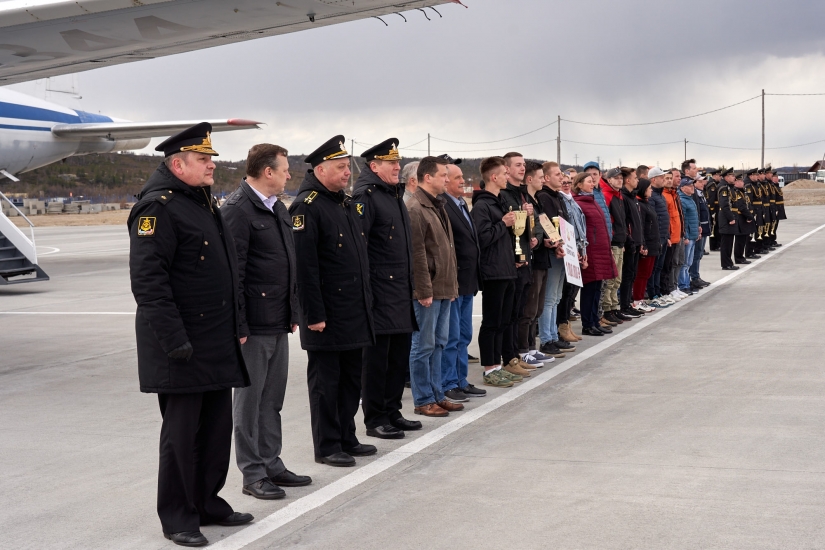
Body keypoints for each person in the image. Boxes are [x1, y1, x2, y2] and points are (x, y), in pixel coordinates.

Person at [128, 123, 252, 547]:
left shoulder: (201, 203)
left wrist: (237, 327)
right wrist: (173, 340)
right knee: (181, 438)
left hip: (215, 340)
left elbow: (227, 273)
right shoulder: (157, 208)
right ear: (178, 164)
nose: (212, 165)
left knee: (215, 431)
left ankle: (207, 502)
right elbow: (149, 283)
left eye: (212, 158)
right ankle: (179, 516)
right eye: (204, 159)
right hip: (181, 346)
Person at [222, 144, 311, 501]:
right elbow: (234, 275)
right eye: (285, 169)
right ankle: (253, 473)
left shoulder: (277, 208)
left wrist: (292, 313)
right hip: (254, 326)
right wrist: (239, 325)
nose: (290, 175)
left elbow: (286, 265)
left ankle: (271, 462)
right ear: (268, 172)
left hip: (277, 321)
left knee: (271, 400)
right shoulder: (238, 211)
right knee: (249, 402)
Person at [288, 135, 377, 468]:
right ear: (321, 169)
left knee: (351, 379)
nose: (346, 174)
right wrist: (313, 313)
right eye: (340, 168)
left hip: (353, 312)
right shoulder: (306, 206)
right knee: (327, 384)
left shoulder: (342, 201)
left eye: (347, 168)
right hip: (326, 315)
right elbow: (305, 267)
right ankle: (327, 445)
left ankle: (346, 436)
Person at [351, 138, 420, 440]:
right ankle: (375, 418)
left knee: (397, 357)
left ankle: (392, 411)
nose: (397, 167)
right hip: (379, 294)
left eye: (398, 162)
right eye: (391, 163)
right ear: (373, 166)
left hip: (400, 293)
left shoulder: (393, 195)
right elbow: (359, 248)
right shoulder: (365, 196)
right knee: (377, 361)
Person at [407, 156, 463, 417]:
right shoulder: (415, 208)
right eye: (443, 175)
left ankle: (437, 393)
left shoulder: (438, 205)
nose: (447, 180)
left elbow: (446, 250)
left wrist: (451, 287)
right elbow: (417, 254)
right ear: (427, 177)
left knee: (439, 343)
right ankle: (423, 399)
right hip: (428, 290)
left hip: (444, 287)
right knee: (423, 346)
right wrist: (424, 290)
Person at [471, 157, 522, 387]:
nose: (507, 177)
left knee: (504, 320)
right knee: (491, 322)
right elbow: (482, 238)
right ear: (494, 177)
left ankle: (499, 365)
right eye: (503, 173)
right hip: (493, 272)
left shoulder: (500, 201)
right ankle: (489, 368)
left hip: (507, 268)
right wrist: (503, 223)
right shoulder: (482, 206)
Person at [440, 155, 487, 400]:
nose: (463, 181)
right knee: (451, 337)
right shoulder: (443, 205)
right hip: (453, 282)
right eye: (457, 177)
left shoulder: (460, 204)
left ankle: (461, 379)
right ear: (445, 180)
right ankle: (448, 382)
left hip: (468, 282)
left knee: (464, 335)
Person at [499, 152, 538, 376]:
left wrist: (533, 237)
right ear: (506, 168)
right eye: (518, 165)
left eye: (524, 165)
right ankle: (509, 357)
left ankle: (514, 355)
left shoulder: (522, 193)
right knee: (510, 313)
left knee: (519, 311)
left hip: (526, 257)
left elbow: (526, 227)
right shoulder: (505, 195)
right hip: (513, 261)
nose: (522, 169)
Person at [518, 161, 558, 366]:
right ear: (530, 179)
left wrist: (551, 240)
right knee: (529, 308)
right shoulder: (525, 200)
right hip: (532, 260)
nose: (544, 180)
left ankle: (532, 347)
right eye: (541, 177)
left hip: (543, 258)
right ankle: (523, 349)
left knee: (538, 308)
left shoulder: (537, 201)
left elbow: (544, 225)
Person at [536, 161, 575, 357]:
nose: (562, 177)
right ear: (547, 178)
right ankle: (546, 339)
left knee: (557, 297)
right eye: (558, 174)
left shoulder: (557, 197)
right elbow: (546, 223)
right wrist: (557, 243)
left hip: (562, 253)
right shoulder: (544, 197)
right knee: (550, 298)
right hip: (552, 253)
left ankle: (552, 335)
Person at [573, 172, 617, 336]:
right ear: (579, 185)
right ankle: (587, 323)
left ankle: (594, 320)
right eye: (589, 182)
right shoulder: (579, 203)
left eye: (593, 181)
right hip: (590, 252)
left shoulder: (592, 201)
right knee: (589, 289)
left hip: (600, 250)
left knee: (597, 288)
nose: (592, 184)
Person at [557, 174, 586, 343]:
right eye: (563, 182)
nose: (566, 185)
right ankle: (561, 325)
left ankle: (566, 323)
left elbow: (581, 227)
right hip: (568, 249)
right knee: (566, 292)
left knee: (573, 290)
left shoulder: (572, 201)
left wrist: (582, 249)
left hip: (577, 247)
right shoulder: (561, 200)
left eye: (569, 182)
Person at [600, 167, 629, 325]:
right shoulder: (607, 195)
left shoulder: (619, 196)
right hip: (613, 243)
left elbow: (622, 221)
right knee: (611, 279)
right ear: (608, 179)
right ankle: (608, 309)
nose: (620, 180)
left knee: (617, 278)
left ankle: (614, 307)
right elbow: (608, 222)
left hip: (620, 241)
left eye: (621, 178)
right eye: (616, 178)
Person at [618, 167, 644, 318]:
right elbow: (625, 222)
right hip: (629, 243)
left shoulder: (633, 197)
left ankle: (628, 303)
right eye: (635, 178)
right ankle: (624, 305)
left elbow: (637, 222)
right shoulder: (625, 198)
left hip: (636, 241)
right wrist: (631, 240)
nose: (637, 180)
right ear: (628, 180)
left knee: (632, 274)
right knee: (627, 276)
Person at [632, 178, 660, 311]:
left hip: (653, 242)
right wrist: (644, 244)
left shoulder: (646, 203)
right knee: (642, 273)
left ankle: (641, 298)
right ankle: (637, 299)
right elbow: (641, 227)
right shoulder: (640, 205)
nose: (651, 190)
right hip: (647, 244)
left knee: (647, 273)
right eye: (649, 188)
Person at [646, 167, 672, 306]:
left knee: (659, 267)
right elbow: (652, 220)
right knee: (654, 267)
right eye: (661, 177)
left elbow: (664, 218)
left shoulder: (660, 195)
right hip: (655, 238)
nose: (664, 179)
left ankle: (658, 292)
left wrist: (667, 235)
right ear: (653, 179)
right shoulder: (652, 196)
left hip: (662, 236)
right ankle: (652, 294)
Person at [677, 178, 699, 295]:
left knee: (689, 263)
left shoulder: (690, 199)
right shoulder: (682, 200)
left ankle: (686, 283)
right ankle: (683, 285)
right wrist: (685, 236)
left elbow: (694, 217)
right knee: (684, 263)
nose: (692, 187)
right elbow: (683, 220)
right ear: (682, 187)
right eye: (689, 186)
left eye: (692, 185)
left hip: (693, 235)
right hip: (688, 236)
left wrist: (698, 229)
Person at [689, 174, 711, 289]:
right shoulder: (694, 195)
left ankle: (696, 276)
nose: (703, 184)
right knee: (695, 254)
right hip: (699, 229)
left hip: (704, 228)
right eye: (700, 182)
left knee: (699, 254)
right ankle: (694, 277)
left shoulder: (701, 194)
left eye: (703, 182)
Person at [716, 168, 739, 270]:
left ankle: (729, 262)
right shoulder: (724, 188)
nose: (734, 177)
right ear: (726, 177)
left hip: (729, 217)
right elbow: (724, 205)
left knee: (729, 242)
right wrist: (731, 218)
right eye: (732, 176)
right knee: (726, 243)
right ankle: (726, 264)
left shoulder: (729, 187)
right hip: (726, 218)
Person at [705, 169, 722, 251]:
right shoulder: (712, 185)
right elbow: (711, 198)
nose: (720, 177)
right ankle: (714, 245)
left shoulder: (715, 184)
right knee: (715, 227)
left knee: (717, 227)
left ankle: (717, 244)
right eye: (719, 175)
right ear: (715, 175)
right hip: (714, 208)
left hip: (717, 207)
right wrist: (712, 210)